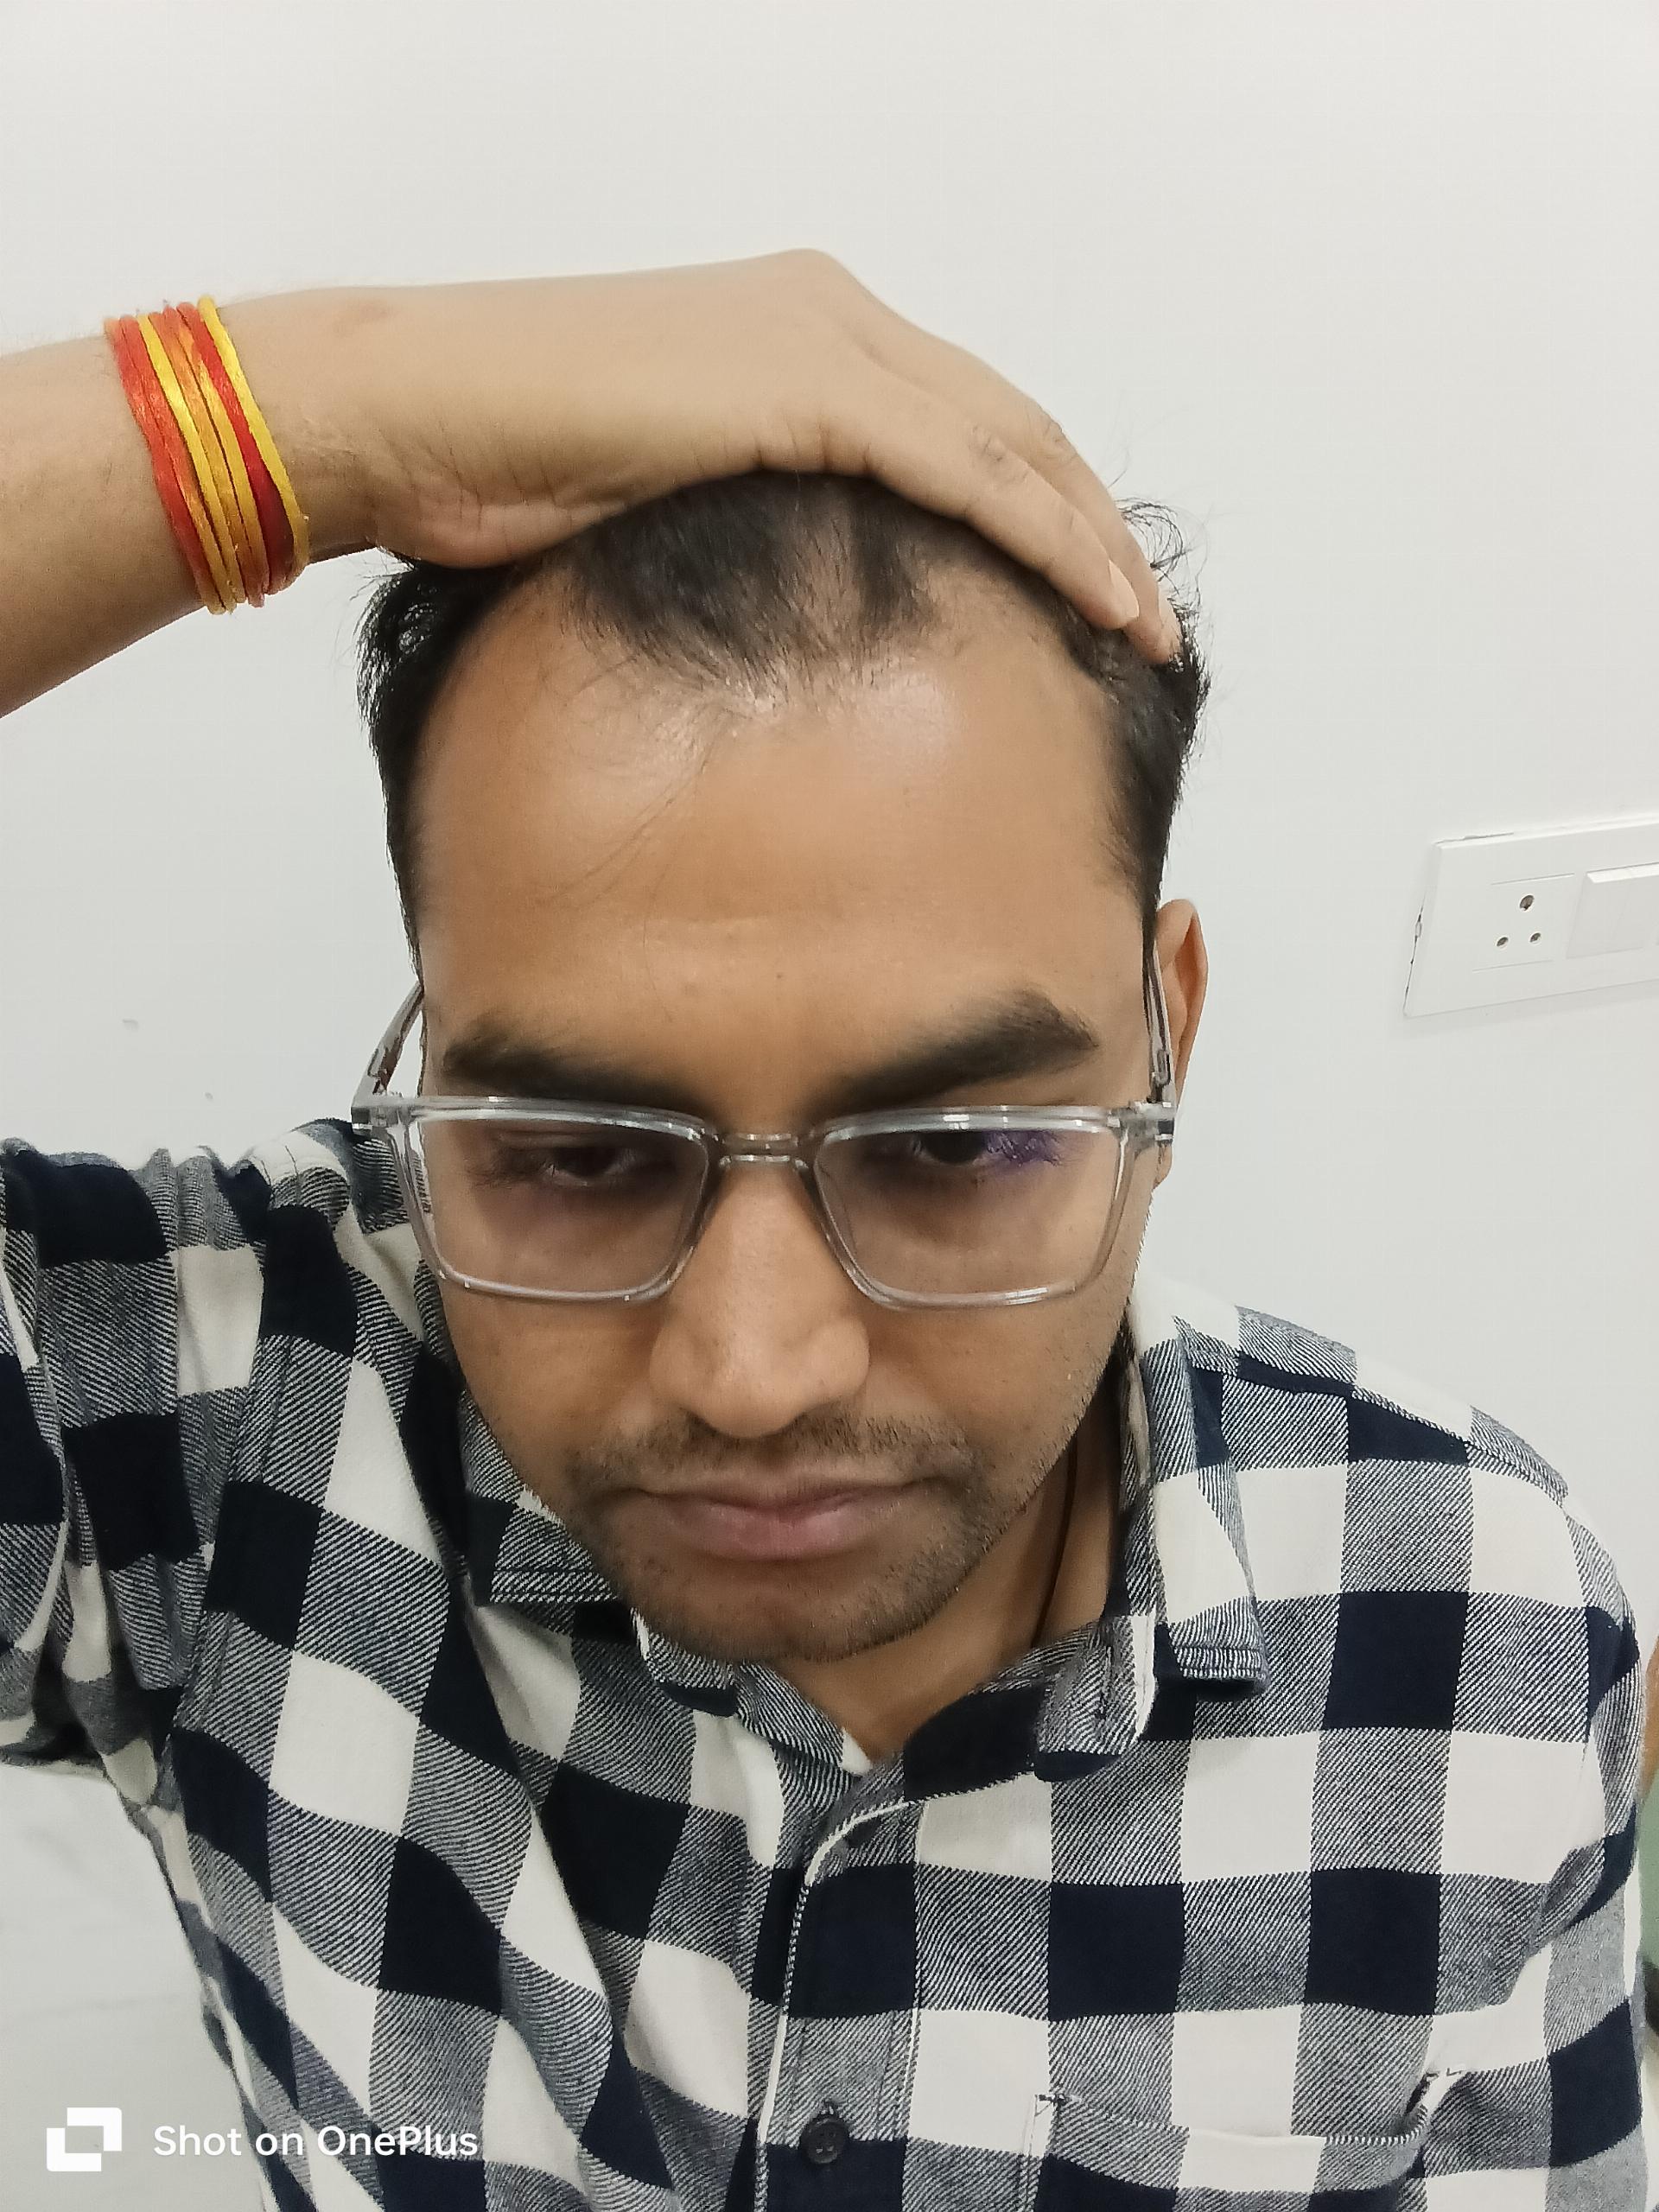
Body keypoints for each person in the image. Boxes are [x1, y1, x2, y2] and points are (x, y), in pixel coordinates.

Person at [0, 255, 1644, 2210]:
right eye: (574, 1153)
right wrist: (310, 407)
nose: (753, 1368)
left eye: (951, 1145)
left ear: (1166, 1041)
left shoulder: (1481, 1641)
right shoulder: (218, 1432)